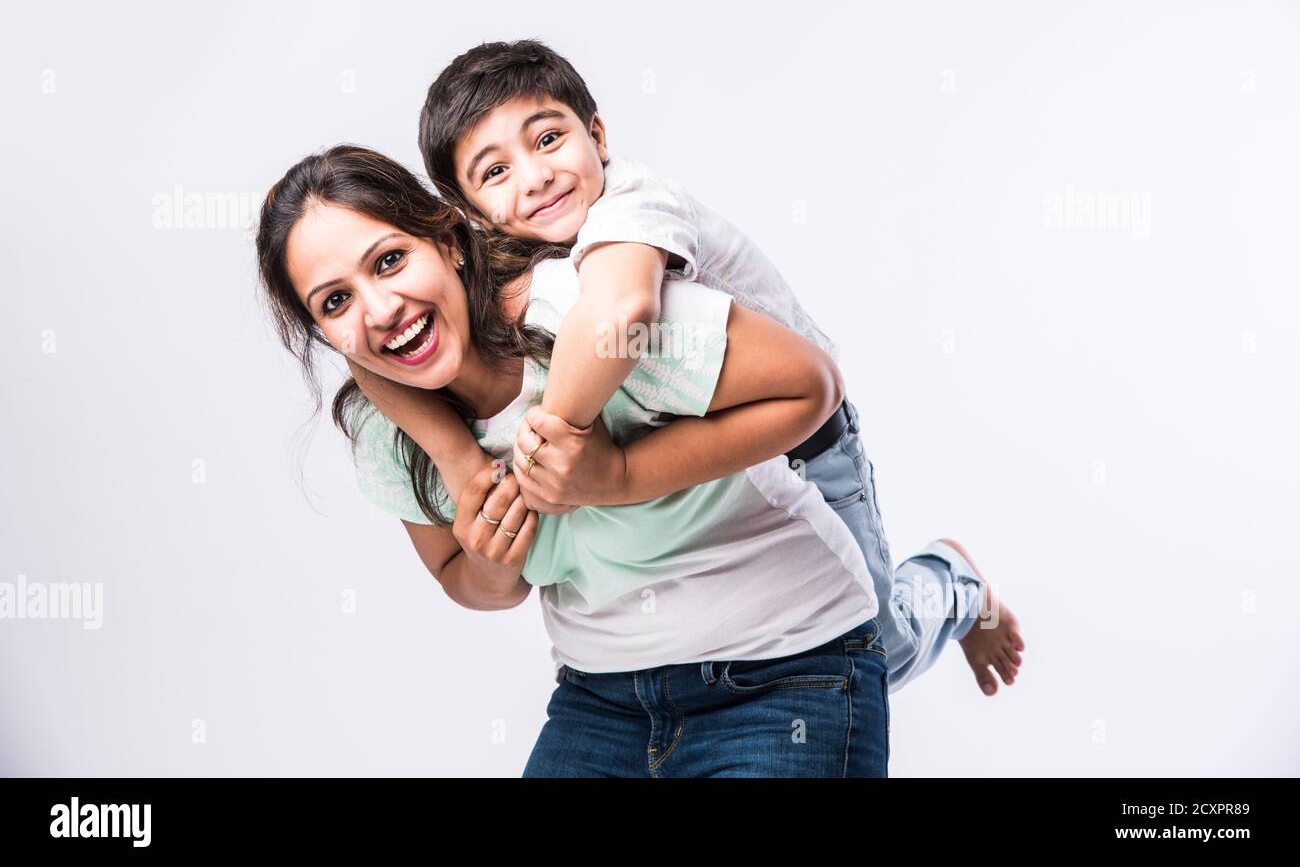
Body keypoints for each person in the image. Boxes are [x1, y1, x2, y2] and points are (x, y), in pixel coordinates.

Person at [374, 38, 1025, 697]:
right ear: (469, 215)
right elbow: (363, 360)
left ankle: (951, 581)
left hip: (805, 437)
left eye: (547, 139)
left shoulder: (631, 204)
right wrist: (456, 457)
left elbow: (620, 310)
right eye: (495, 172)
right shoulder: (491, 259)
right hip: (709, 451)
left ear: (596, 135)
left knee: (878, 648)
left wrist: (558, 442)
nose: (535, 176)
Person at [256, 144, 890, 776]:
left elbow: (810, 385)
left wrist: (617, 476)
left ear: (449, 240)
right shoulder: (388, 428)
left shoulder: (582, 315)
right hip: (601, 698)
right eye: (335, 302)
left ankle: (949, 591)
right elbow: (462, 577)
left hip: (785, 671)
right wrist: (491, 563)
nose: (381, 309)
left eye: (390, 261)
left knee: (902, 634)